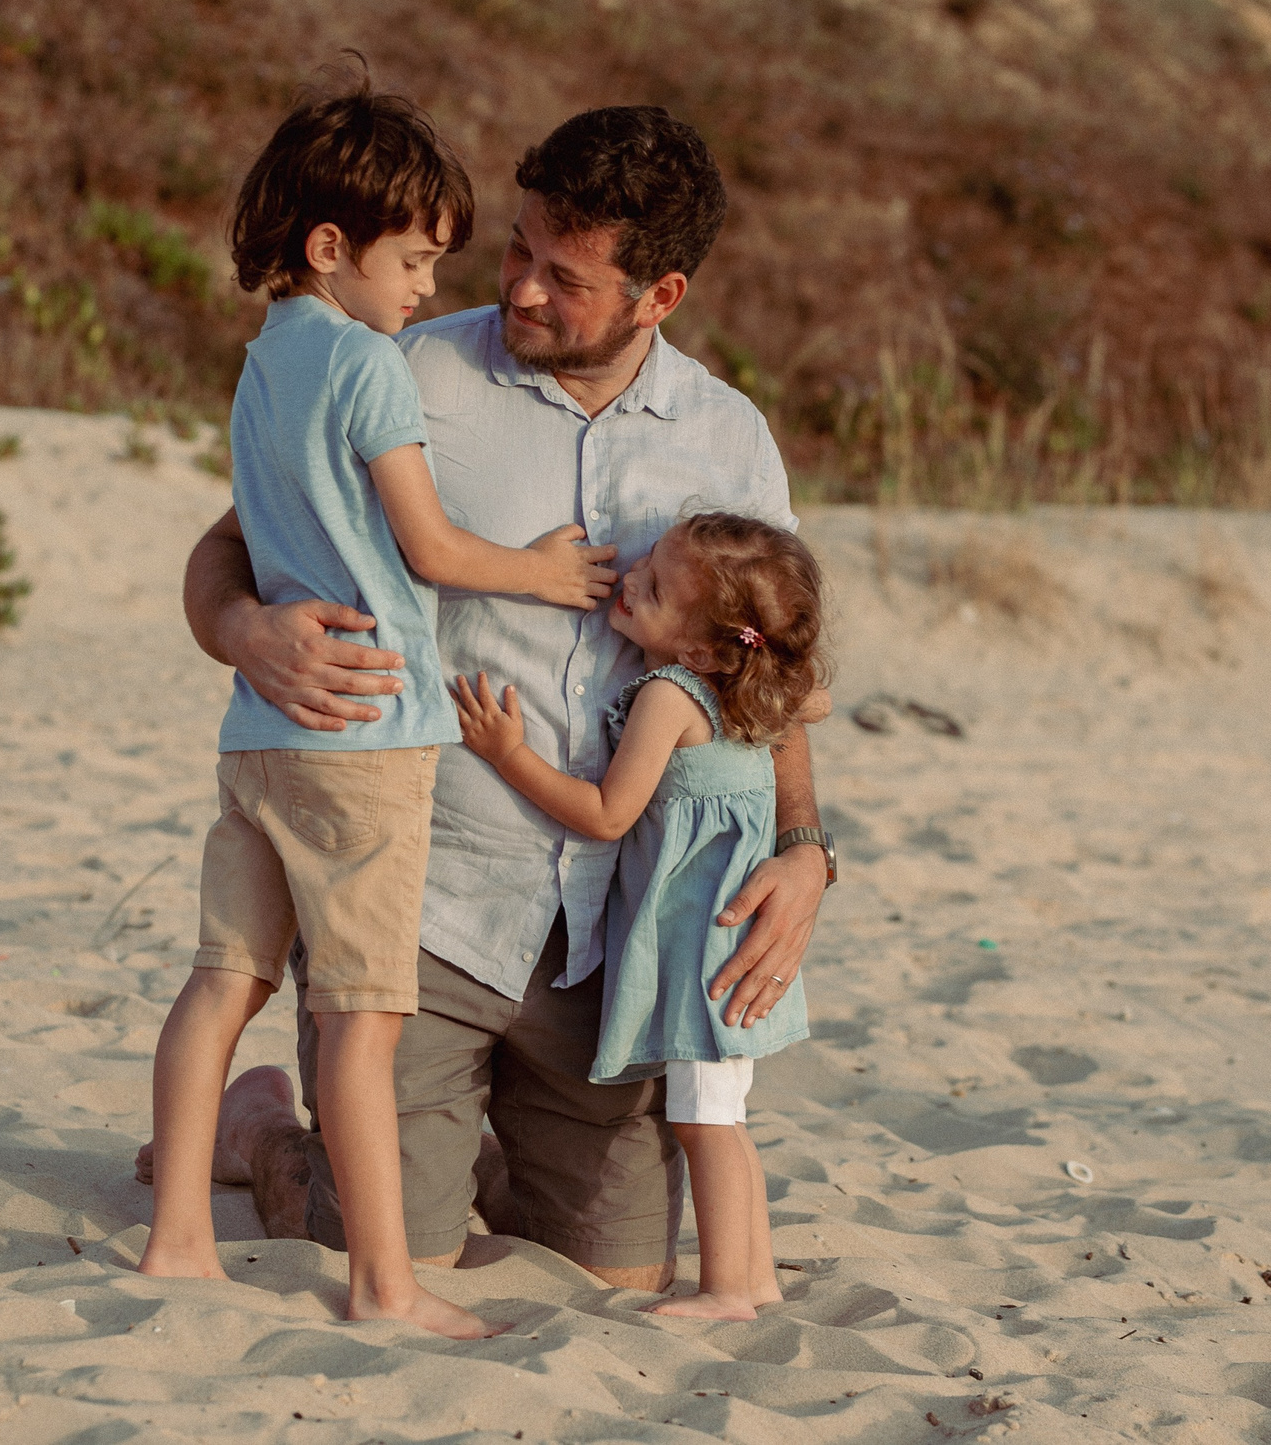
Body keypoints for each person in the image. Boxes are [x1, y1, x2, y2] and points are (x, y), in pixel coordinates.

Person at [172, 105, 835, 1294]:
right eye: (517, 250)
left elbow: (765, 674)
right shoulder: (404, 367)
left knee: (616, 1281)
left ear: (660, 294)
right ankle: (266, 1134)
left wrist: (802, 849)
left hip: (613, 949)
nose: (520, 289)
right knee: (383, 1255)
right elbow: (227, 549)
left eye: (563, 276)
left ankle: (459, 1145)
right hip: (432, 904)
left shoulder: (729, 440)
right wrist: (244, 630)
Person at [138, 73, 614, 1341]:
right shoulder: (370, 367)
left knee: (219, 981)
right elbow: (432, 548)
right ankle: (383, 1286)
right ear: (330, 246)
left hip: (261, 733)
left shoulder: (261, 365)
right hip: (369, 741)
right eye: (414, 261)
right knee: (361, 1021)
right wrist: (549, 571)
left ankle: (180, 1234)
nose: (426, 291)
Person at [448, 511, 827, 1318]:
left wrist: (507, 752)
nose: (630, 581)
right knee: (726, 1114)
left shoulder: (669, 694)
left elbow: (608, 813)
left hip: (701, 951)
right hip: (734, 943)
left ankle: (727, 1286)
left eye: (653, 587)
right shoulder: (753, 697)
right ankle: (754, 1278)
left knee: (705, 1123)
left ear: (702, 649)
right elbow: (812, 698)